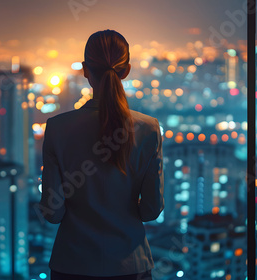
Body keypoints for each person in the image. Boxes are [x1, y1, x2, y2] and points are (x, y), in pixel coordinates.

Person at [38, 29, 164, 280]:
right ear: (126, 70)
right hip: (131, 267)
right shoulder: (148, 129)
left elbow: (53, 212)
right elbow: (151, 209)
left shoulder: (57, 128)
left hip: (72, 266)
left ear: (85, 70)